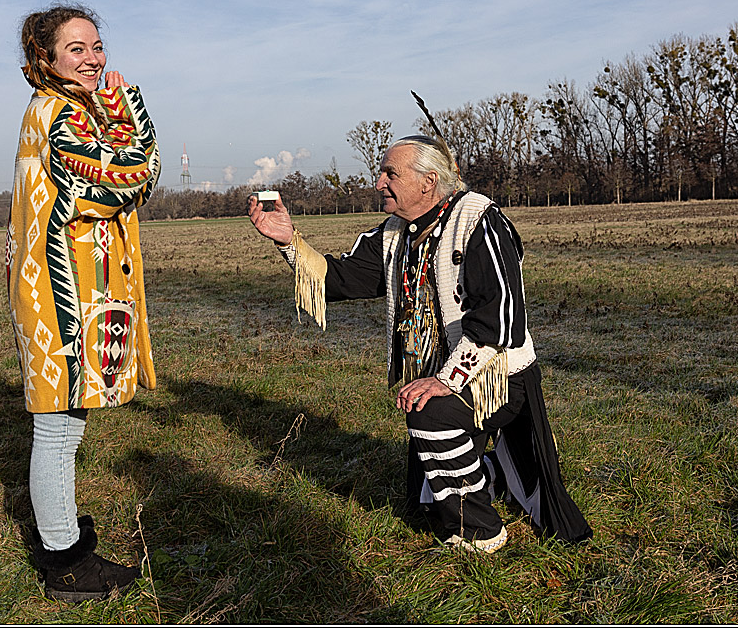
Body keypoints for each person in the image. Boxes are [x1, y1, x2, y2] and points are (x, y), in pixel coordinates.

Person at [247, 134, 592, 552]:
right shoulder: (396, 233)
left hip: (498, 376)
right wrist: (288, 241)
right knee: (422, 503)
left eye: (390, 173)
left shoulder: (480, 220)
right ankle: (492, 474)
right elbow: (340, 278)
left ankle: (479, 532)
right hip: (445, 374)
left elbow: (500, 318)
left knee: (429, 411)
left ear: (428, 181)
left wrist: (446, 380)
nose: (379, 183)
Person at [6, 3, 160, 601]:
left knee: (66, 427)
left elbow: (130, 184)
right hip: (61, 293)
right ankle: (65, 563)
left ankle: (63, 537)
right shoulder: (60, 112)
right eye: (77, 48)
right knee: (56, 431)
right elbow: (132, 177)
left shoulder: (61, 107)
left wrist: (114, 118)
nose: (94, 59)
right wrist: (128, 108)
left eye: (97, 47)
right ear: (45, 57)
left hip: (68, 287)